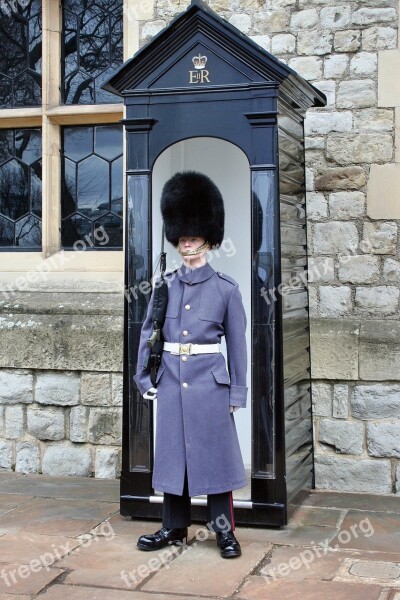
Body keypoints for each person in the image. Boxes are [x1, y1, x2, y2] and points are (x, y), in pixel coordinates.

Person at [133, 171, 248, 559]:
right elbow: (149, 332)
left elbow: (237, 345)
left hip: (209, 382)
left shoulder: (226, 289)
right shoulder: (164, 285)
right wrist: (142, 376)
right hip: (170, 378)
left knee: (215, 456)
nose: (187, 243)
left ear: (209, 239)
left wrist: (237, 390)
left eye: (194, 237)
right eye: (182, 237)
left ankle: (224, 531)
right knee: (173, 456)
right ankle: (173, 527)